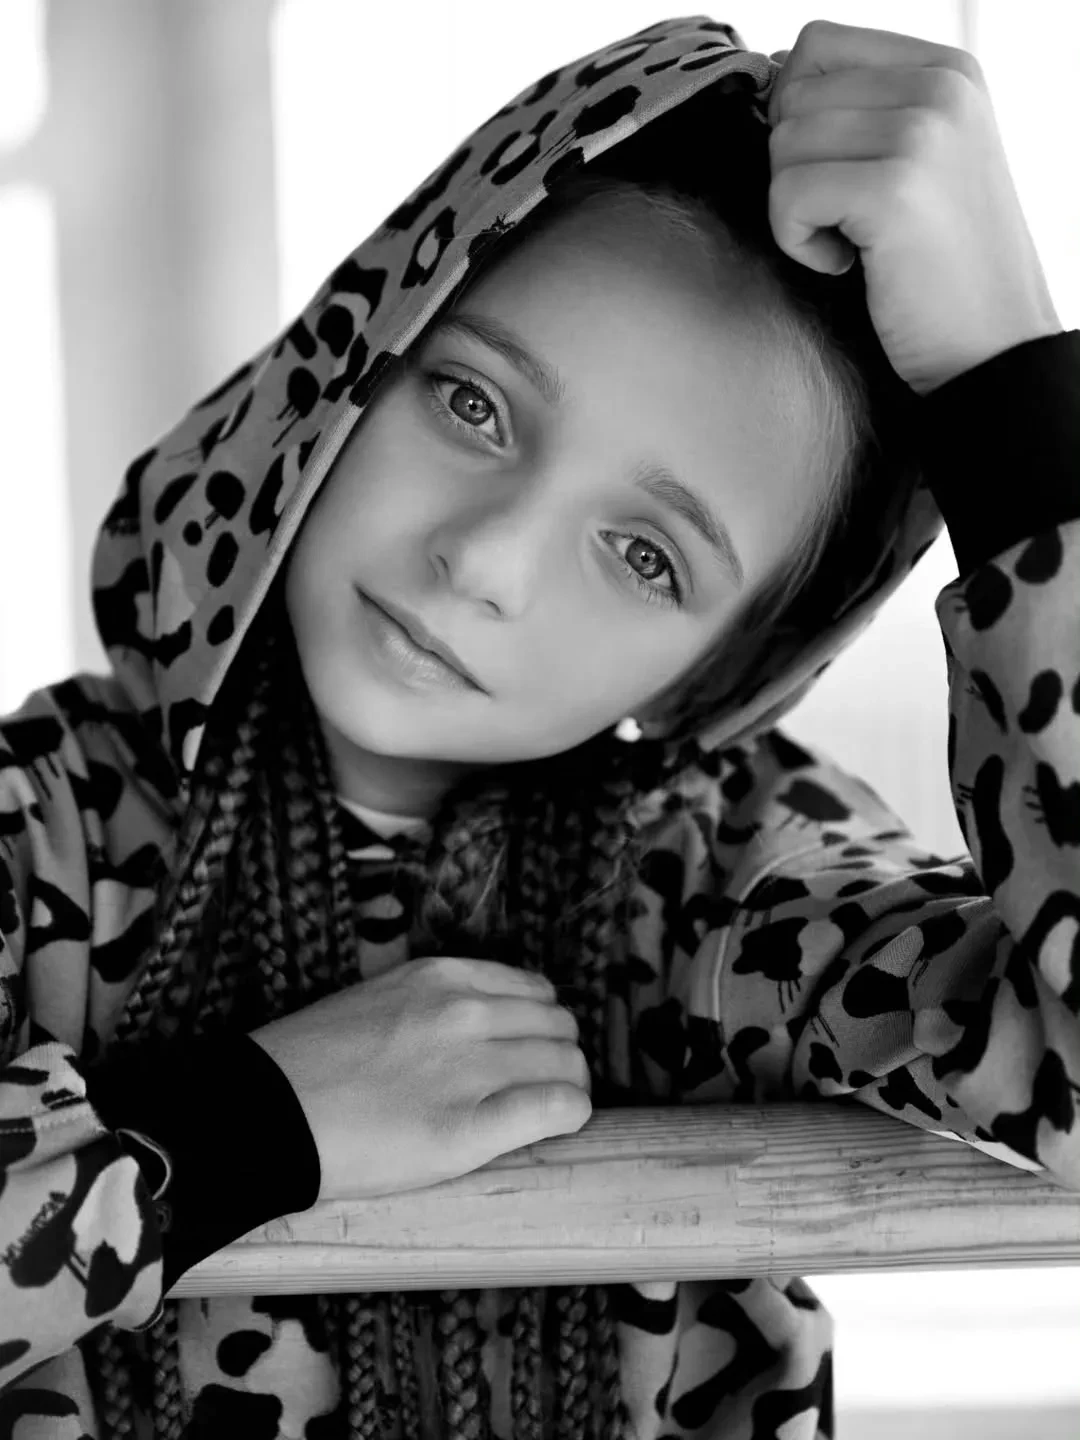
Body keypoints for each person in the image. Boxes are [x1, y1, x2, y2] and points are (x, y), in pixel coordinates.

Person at [0, 13, 1076, 1439]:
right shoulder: (37, 831)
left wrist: (1015, 393)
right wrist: (245, 1131)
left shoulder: (729, 893)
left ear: (724, 666)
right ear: (356, 360)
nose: (489, 561)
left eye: (645, 556)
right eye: (473, 403)